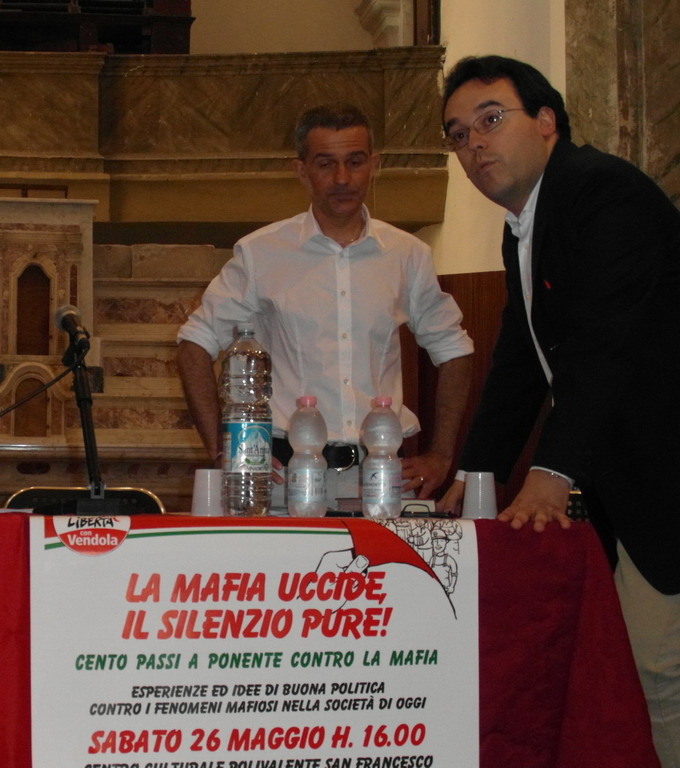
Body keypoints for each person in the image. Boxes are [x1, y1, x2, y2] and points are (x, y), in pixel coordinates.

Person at [440, 55, 680, 766]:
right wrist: (475, 477)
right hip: (622, 476)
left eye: (490, 119)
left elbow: (605, 349)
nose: (474, 144)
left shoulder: (603, 193)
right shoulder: (525, 223)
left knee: (660, 674)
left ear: (547, 121)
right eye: (458, 135)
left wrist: (549, 474)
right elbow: (519, 364)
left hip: (664, 472)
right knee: (627, 672)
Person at [177, 104, 475, 501]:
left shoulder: (407, 255)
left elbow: (454, 350)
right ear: (302, 171)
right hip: (283, 478)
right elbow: (194, 344)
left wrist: (441, 455)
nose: (342, 178)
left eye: (355, 162)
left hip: (382, 475)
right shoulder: (261, 253)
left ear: (374, 164)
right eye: (325, 164)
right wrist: (224, 452)